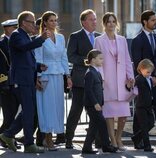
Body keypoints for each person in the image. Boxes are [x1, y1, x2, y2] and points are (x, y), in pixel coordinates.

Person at [0, 11, 50, 153]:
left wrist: (38, 65)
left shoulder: (25, 36)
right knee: (28, 111)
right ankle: (28, 143)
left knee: (30, 111)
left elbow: (26, 59)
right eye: (32, 22)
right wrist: (41, 39)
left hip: (27, 79)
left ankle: (8, 135)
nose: (34, 25)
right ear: (23, 23)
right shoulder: (16, 35)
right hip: (20, 80)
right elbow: (23, 48)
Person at [94, 12, 134, 151]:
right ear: (104, 24)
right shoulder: (99, 40)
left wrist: (131, 76)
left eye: (113, 21)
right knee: (110, 114)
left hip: (123, 81)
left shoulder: (122, 39)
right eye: (108, 22)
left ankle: (119, 137)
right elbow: (96, 61)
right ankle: (113, 141)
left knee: (123, 115)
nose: (111, 24)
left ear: (116, 23)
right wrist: (101, 78)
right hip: (108, 81)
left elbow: (127, 59)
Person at [34, 11, 72, 150]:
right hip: (46, 76)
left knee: (57, 107)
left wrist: (68, 76)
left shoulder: (61, 37)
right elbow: (38, 58)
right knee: (48, 107)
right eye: (51, 20)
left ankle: (53, 136)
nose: (54, 23)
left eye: (55, 20)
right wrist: (37, 78)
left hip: (58, 76)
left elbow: (64, 57)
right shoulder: (41, 38)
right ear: (44, 22)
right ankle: (48, 138)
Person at [65, 9, 100, 149]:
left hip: (96, 80)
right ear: (84, 22)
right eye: (91, 19)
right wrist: (88, 61)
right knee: (76, 111)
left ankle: (98, 140)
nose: (94, 22)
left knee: (96, 112)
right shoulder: (75, 36)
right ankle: (68, 139)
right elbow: (70, 56)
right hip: (80, 80)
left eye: (95, 19)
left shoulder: (99, 37)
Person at [131, 10, 156, 149]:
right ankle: (138, 139)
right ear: (145, 22)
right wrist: (149, 77)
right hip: (144, 82)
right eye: (153, 20)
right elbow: (137, 62)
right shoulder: (137, 40)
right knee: (140, 113)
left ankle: (138, 138)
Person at [82, 49, 117, 154]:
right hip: (92, 105)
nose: (102, 61)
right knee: (102, 124)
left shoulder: (96, 72)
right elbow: (88, 90)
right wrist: (95, 103)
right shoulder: (90, 73)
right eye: (100, 59)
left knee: (93, 127)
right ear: (93, 60)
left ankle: (87, 147)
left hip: (97, 104)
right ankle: (106, 146)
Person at [0, 19, 20, 148]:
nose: (16, 30)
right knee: (9, 114)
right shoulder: (1, 43)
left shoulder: (15, 41)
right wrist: (3, 83)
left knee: (13, 113)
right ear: (7, 29)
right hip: (5, 84)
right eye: (14, 27)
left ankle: (8, 137)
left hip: (16, 82)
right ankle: (6, 137)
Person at [131, 59, 155, 152]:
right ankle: (147, 146)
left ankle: (136, 138)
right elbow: (132, 87)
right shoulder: (138, 78)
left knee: (151, 123)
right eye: (147, 72)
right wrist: (130, 85)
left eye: (150, 72)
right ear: (141, 69)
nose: (149, 74)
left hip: (148, 105)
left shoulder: (149, 78)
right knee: (144, 126)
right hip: (141, 106)